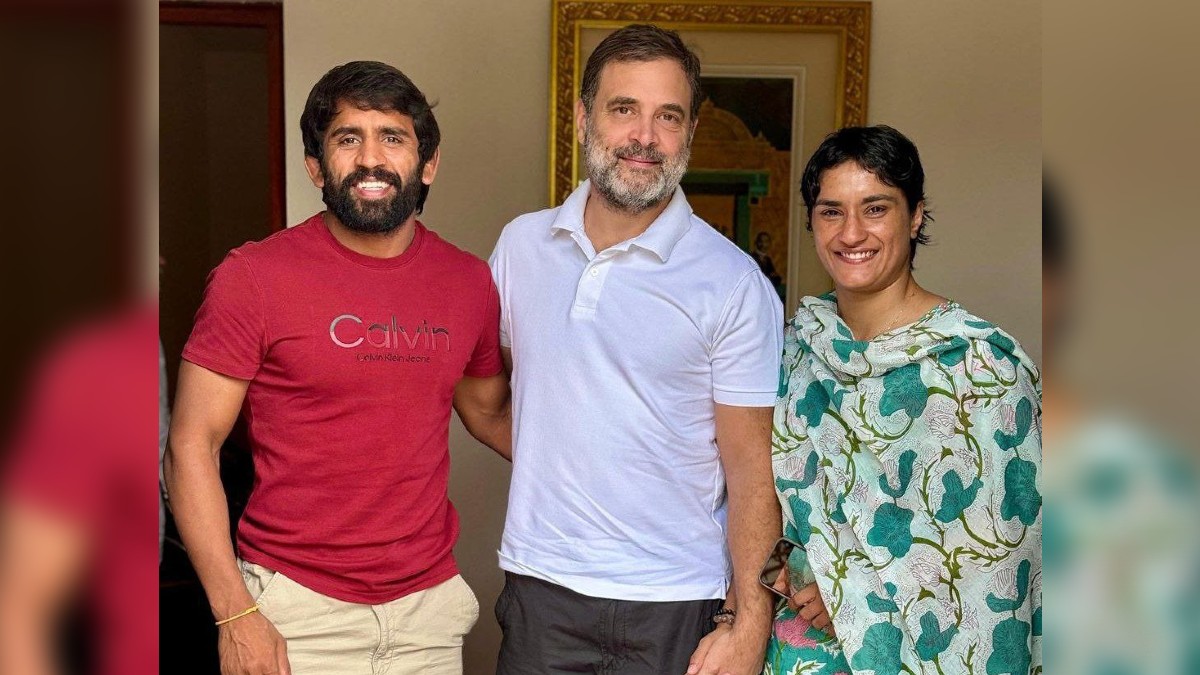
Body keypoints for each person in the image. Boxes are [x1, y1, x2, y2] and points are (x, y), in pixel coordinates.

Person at [164, 61, 511, 675]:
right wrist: (236, 614)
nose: (371, 159)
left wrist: (627, 467)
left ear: (428, 163)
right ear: (316, 166)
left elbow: (489, 414)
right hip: (294, 612)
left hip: (427, 614)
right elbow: (191, 445)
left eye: (393, 137)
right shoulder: (254, 278)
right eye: (348, 138)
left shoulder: (469, 282)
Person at [488, 24, 783, 675]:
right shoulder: (520, 248)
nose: (645, 137)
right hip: (543, 591)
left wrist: (747, 624)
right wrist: (570, 464)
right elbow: (495, 398)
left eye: (667, 117)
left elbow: (753, 472)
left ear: (690, 131)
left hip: (678, 601)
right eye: (624, 109)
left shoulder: (733, 282)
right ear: (583, 117)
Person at [766, 126, 1042, 674]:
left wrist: (850, 592)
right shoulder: (795, 349)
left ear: (915, 216)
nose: (851, 233)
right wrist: (794, 571)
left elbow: (1003, 549)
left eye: (875, 209)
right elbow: (765, 502)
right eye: (831, 211)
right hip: (802, 651)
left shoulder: (979, 365)